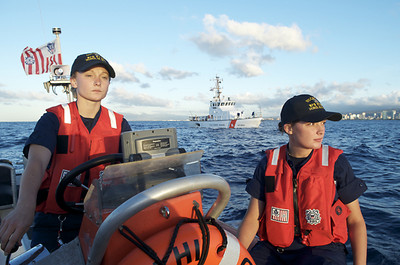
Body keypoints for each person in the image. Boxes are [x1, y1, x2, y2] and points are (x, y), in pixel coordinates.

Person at [0, 52, 131, 254]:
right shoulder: (54, 119)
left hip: (103, 221)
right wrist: (24, 208)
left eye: (104, 77)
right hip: (54, 223)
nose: (98, 81)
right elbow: (36, 162)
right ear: (73, 81)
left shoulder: (119, 123)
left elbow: (134, 169)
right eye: (89, 75)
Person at [238, 94, 367, 265]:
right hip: (274, 250)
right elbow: (252, 218)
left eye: (323, 123)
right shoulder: (268, 164)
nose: (321, 130)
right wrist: (237, 256)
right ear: (289, 128)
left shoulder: (336, 163)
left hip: (323, 249)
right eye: (311, 124)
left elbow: (356, 221)